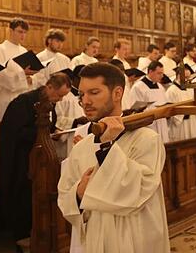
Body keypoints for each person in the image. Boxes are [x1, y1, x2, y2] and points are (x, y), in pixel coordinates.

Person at [58, 62, 169, 252]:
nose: (85, 101)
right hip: (95, 239)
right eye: (82, 94)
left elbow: (137, 191)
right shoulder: (81, 147)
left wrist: (107, 146)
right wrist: (77, 193)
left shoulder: (146, 139)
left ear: (117, 93)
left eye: (94, 93)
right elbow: (64, 196)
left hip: (134, 239)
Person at [0, 73, 71, 244]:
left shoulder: (48, 102)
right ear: (49, 87)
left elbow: (47, 126)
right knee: (21, 193)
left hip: (38, 158)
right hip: (20, 158)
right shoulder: (24, 101)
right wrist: (43, 134)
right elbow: (14, 132)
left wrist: (53, 132)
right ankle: (18, 231)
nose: (59, 100)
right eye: (58, 95)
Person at [0, 18, 35, 122]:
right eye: (20, 32)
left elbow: (29, 76)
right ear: (10, 31)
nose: (23, 35)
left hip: (21, 99)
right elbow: (0, 76)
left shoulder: (24, 51)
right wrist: (23, 75)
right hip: (4, 100)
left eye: (25, 32)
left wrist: (31, 78)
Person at [127, 61, 170, 143]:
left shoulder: (160, 87)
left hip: (161, 123)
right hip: (149, 124)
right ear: (150, 72)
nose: (162, 76)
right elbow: (135, 109)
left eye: (162, 73)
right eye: (159, 73)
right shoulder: (138, 87)